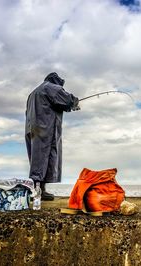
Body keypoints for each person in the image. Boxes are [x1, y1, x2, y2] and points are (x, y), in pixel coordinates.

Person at [25, 72, 80, 201]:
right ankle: (38, 191)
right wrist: (74, 102)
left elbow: (56, 103)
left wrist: (70, 106)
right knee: (44, 156)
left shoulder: (33, 93)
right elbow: (67, 99)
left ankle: (39, 190)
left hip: (32, 128)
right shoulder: (51, 87)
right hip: (45, 127)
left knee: (37, 158)